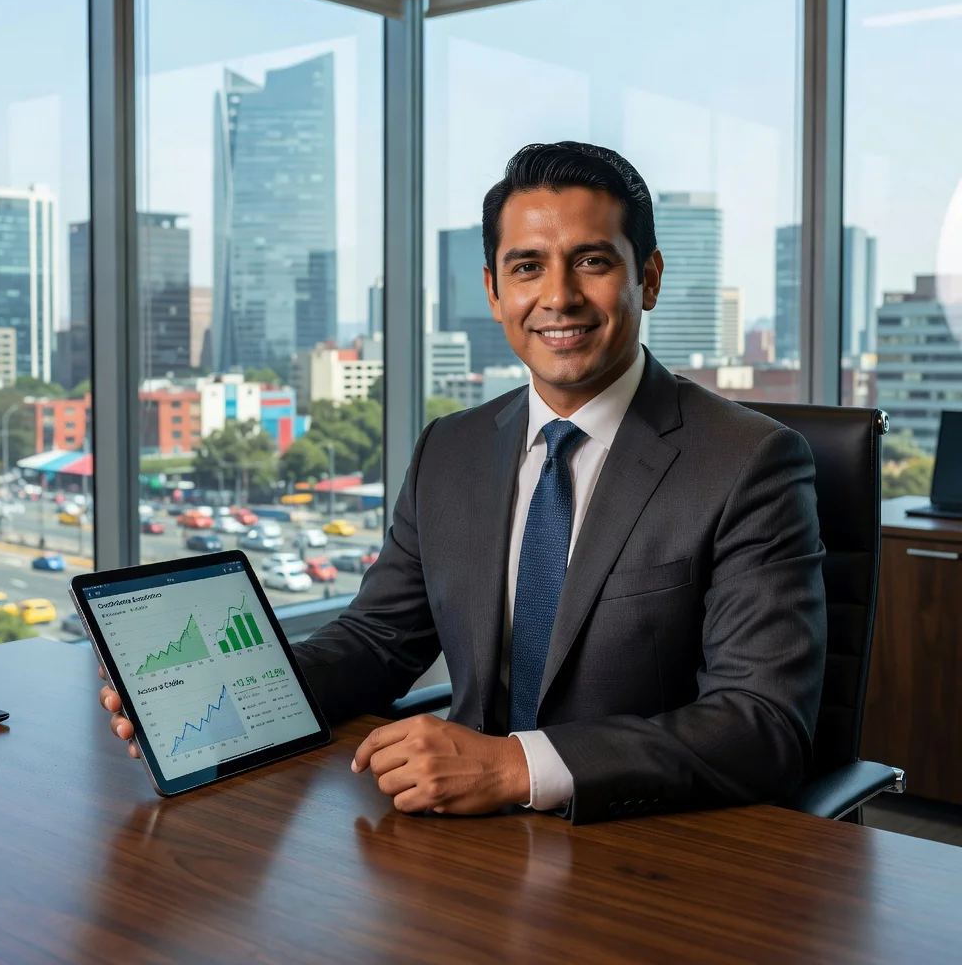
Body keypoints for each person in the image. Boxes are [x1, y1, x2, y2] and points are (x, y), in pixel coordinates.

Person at [100, 141, 826, 825]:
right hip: (457, 841)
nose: (559, 296)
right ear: (492, 289)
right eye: (527, 266)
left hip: (646, 844)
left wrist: (515, 767)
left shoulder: (747, 462)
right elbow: (380, 638)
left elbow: (761, 723)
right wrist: (237, 695)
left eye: (593, 261)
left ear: (650, 278)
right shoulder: (452, 447)